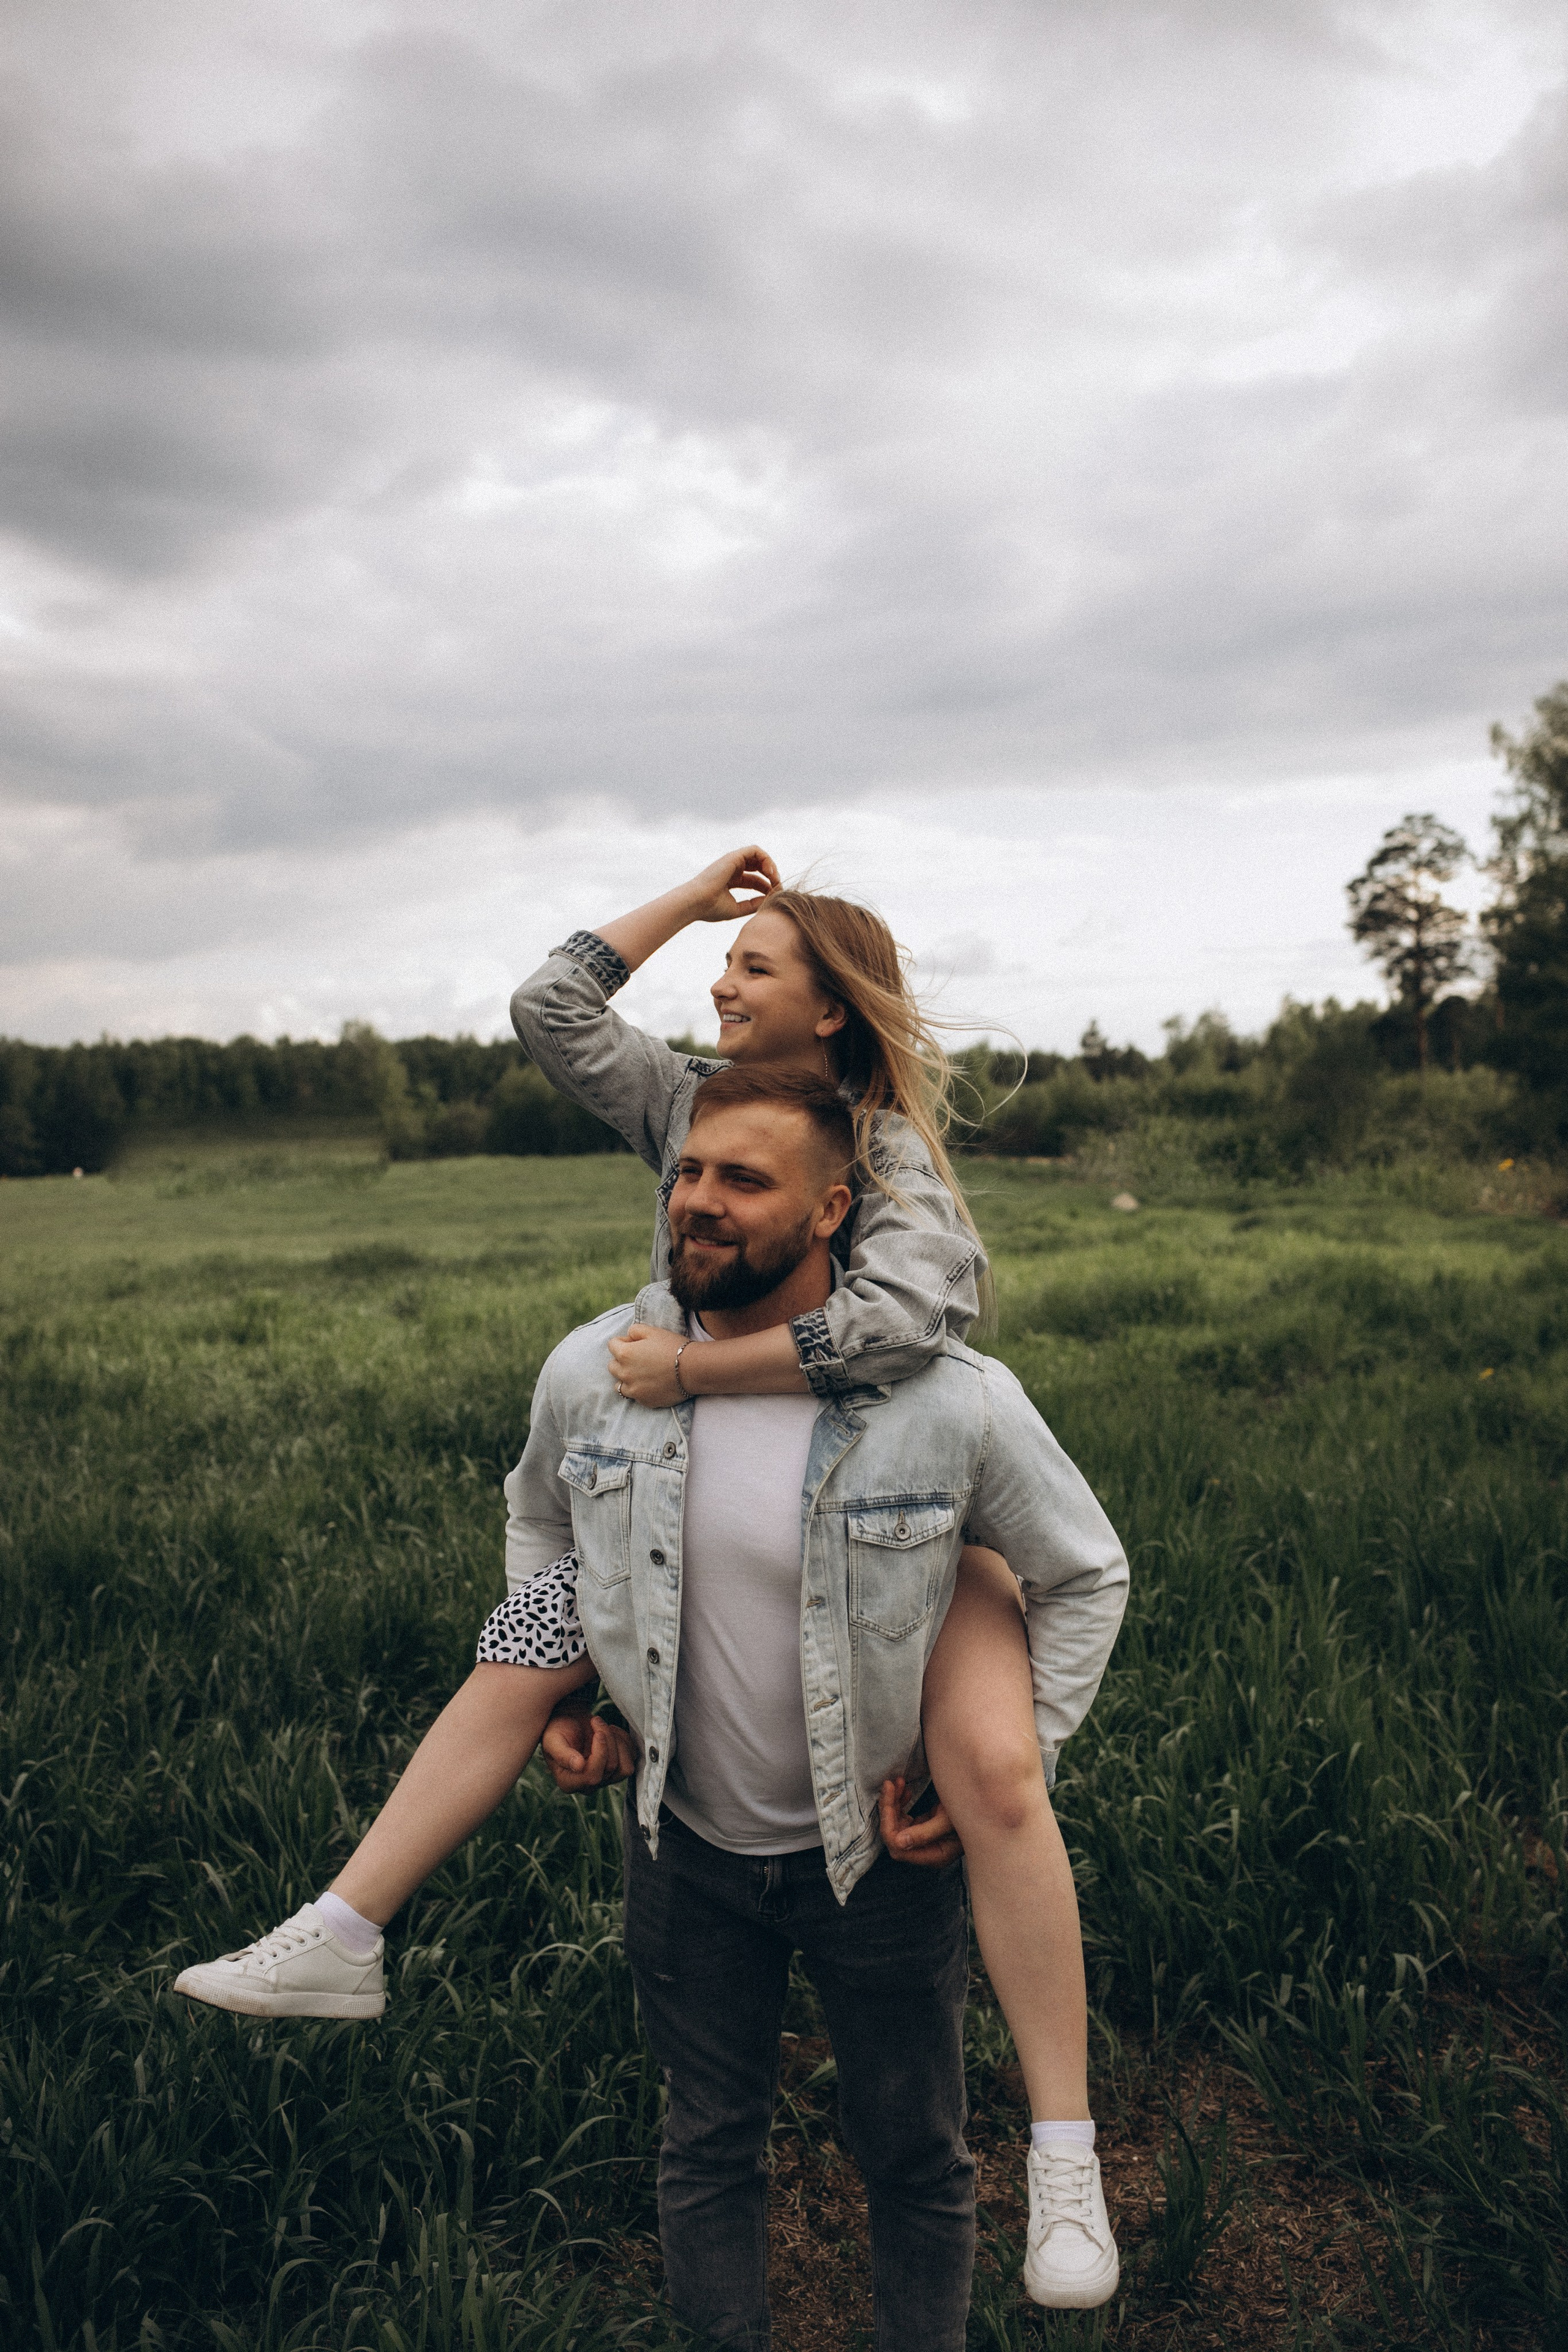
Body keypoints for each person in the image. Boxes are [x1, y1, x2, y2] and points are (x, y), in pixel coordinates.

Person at [173, 851, 1125, 2310]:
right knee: (524, 1644)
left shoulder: (887, 1169)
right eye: (691, 1173)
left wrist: (695, 1367)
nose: (718, 984)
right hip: (677, 1767)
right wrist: (695, 897)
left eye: (755, 968)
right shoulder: (678, 1131)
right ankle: (348, 1923)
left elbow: (898, 1325)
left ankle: (1064, 2150)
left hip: (872, 1639)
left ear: (829, 1022)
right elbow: (550, 1006)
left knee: (989, 1795)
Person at [514, 1066, 1128, 2345]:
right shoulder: (598, 1371)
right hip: (680, 1847)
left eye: (743, 1179)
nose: (700, 1200)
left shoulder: (947, 1401)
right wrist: (563, 1683)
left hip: (879, 1861)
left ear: (832, 1208)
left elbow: (1081, 1573)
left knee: (913, 2156)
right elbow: (536, 1517)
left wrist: (1012, 1763)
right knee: (705, 2145)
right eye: (687, 1172)